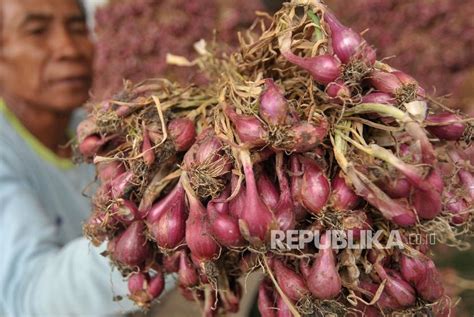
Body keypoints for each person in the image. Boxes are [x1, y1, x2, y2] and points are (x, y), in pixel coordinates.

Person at [0, 0, 173, 315]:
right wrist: (163, 232)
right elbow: (28, 298)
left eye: (78, 28)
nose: (69, 48)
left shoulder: (102, 132)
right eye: (37, 31)